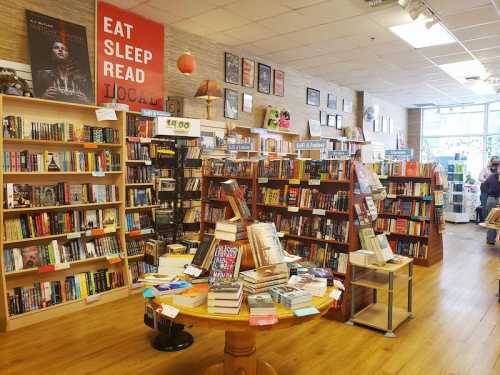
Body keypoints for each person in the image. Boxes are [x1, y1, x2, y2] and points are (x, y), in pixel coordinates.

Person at [35, 39, 91, 104]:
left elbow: (90, 102)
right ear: (51, 54)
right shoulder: (42, 75)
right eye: (56, 48)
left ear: (69, 55)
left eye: (64, 49)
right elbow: (33, 99)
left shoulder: (81, 80)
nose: (60, 50)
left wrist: (87, 101)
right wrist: (42, 98)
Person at [483, 160, 500, 244]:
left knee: (493, 220)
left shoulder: (491, 176)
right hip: (493, 198)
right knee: (492, 220)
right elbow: (485, 185)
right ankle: (490, 239)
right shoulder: (492, 176)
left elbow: (485, 185)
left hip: (492, 198)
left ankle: (490, 239)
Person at [479, 156, 499, 221]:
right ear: (491, 162)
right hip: (485, 190)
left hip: (494, 192)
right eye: (494, 162)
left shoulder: (498, 170)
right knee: (485, 206)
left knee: (494, 207)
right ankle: (486, 221)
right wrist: (488, 181)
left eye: (497, 162)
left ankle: (492, 221)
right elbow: (480, 178)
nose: (495, 163)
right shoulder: (485, 169)